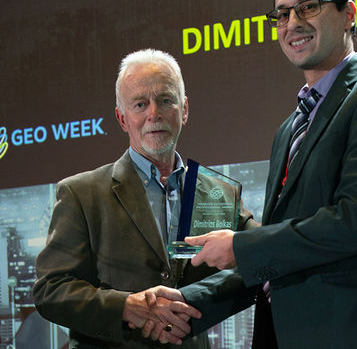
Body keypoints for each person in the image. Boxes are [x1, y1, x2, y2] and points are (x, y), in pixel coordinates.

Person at [167, 0, 357, 348]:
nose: (292, 23)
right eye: (282, 14)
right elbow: (279, 250)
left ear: (349, 13)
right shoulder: (288, 129)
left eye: (308, 7)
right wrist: (186, 304)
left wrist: (239, 246)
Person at [32, 49, 255, 347]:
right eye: (140, 104)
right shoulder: (80, 194)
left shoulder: (222, 194)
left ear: (184, 109)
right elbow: (50, 290)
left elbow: (261, 259)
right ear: (122, 118)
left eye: (166, 100)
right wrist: (125, 307)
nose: (154, 113)